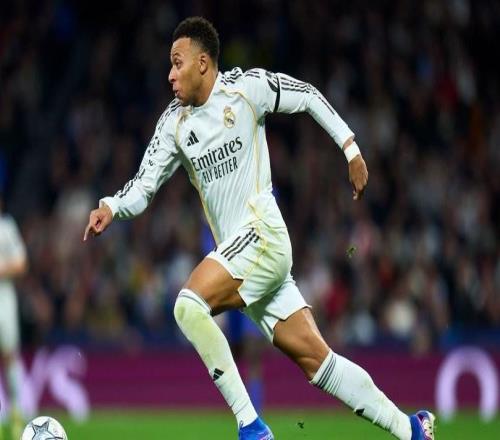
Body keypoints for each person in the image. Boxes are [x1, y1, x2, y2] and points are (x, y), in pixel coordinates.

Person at [84, 16, 435, 440]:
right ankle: (411, 429)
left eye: (177, 63)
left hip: (262, 234)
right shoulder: (174, 123)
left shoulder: (246, 89)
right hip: (244, 255)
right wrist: (111, 205)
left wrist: (351, 147)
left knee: (187, 306)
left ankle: (251, 427)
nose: (170, 74)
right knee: (319, 363)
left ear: (203, 63)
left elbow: (307, 96)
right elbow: (144, 186)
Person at [0, 193, 28, 439]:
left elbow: (21, 263)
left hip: (3, 296)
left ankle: (16, 411)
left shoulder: (6, 227)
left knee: (9, 354)